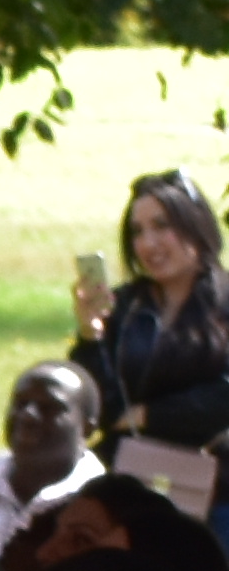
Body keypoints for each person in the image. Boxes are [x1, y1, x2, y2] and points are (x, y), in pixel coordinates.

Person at [74, 169, 229, 460]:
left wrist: (147, 415)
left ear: (195, 225)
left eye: (161, 226)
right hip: (129, 466)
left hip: (215, 475)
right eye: (138, 231)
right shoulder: (125, 306)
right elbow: (100, 411)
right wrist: (90, 335)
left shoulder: (224, 301)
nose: (148, 243)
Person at [0, 360, 103, 558]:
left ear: (87, 428)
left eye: (49, 407)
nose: (28, 415)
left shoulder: (109, 516)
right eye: (20, 404)